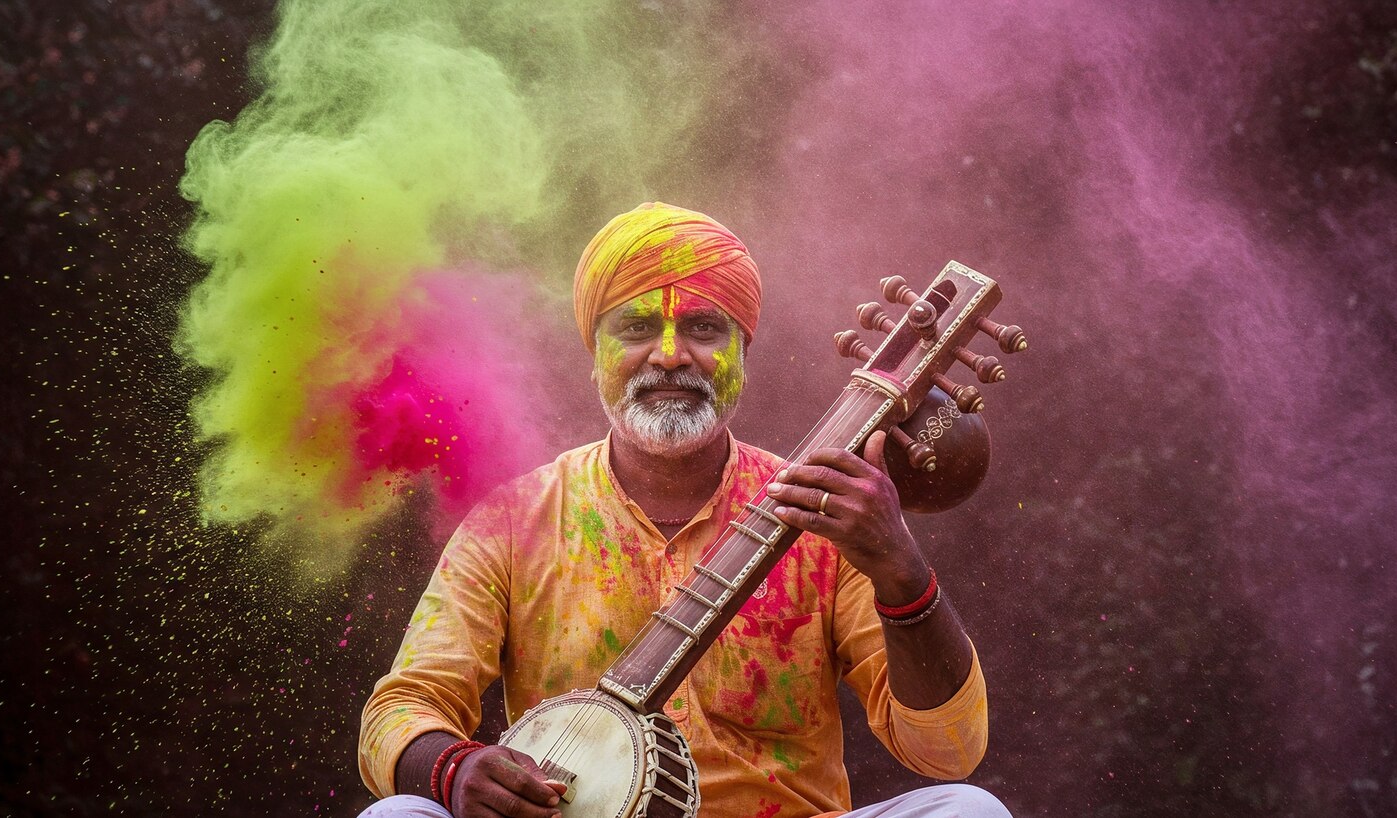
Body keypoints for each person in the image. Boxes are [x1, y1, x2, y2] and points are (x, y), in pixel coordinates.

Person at [357, 203, 1010, 818]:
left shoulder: (826, 516)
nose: (670, 354)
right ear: (594, 357)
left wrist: (900, 568)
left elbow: (946, 752)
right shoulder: (514, 522)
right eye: (636, 328)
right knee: (397, 813)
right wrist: (455, 770)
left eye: (702, 328)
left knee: (970, 810)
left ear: (743, 355)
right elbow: (402, 707)